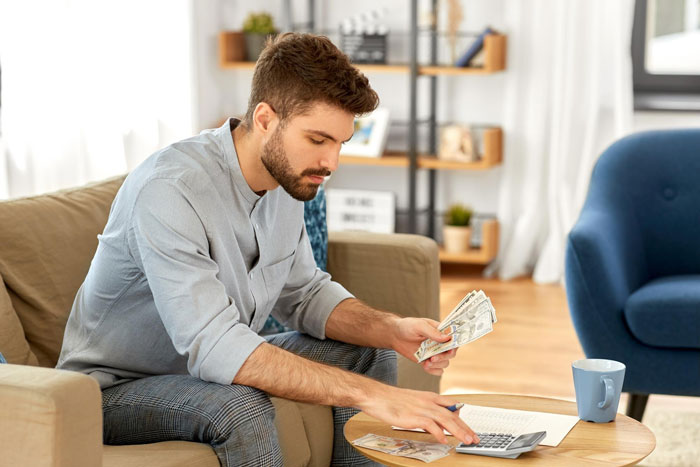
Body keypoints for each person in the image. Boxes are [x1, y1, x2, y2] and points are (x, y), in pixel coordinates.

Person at [57, 33, 477, 466]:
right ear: (264, 119)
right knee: (240, 407)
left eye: (340, 143)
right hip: (112, 391)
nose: (331, 163)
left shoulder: (284, 183)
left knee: (367, 352)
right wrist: (376, 397)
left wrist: (392, 329)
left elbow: (305, 294)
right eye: (317, 140)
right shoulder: (170, 191)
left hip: (203, 373)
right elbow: (216, 347)